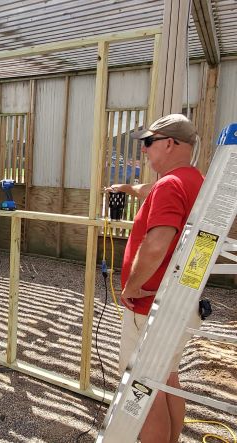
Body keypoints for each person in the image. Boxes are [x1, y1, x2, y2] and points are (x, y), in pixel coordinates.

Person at [115, 114, 204, 443]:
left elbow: (156, 244)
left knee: (142, 387)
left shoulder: (169, 185)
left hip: (151, 304)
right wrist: (125, 188)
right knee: (167, 379)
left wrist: (133, 286)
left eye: (149, 143)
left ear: (170, 144)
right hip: (179, 302)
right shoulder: (195, 180)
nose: (144, 150)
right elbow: (148, 191)